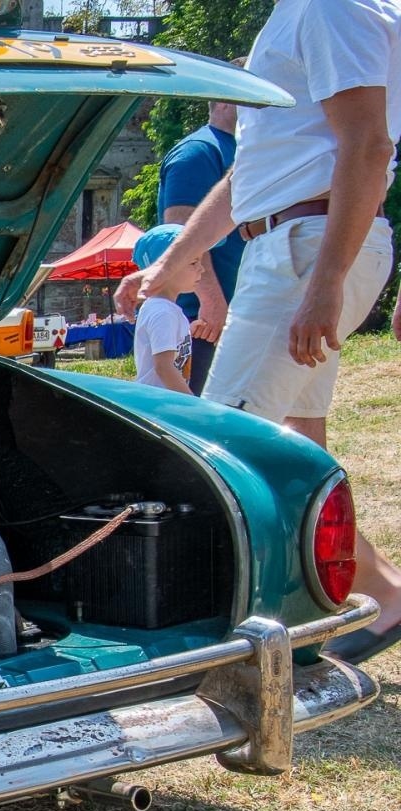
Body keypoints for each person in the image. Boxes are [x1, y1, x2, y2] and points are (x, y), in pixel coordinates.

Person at [115, 0, 401, 662]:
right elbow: (250, 174)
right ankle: (382, 594)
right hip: (296, 241)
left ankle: (216, 641)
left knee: (217, 452)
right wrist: (170, 263)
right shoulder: (302, 13)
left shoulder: (331, 8)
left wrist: (326, 281)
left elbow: (369, 145)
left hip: (306, 245)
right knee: (297, 446)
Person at [157, 84, 248, 393]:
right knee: (197, 411)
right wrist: (210, 300)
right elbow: (181, 228)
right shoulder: (199, 151)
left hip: (233, 312)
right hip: (200, 320)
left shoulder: (241, 149)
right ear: (224, 101)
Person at [129, 224, 201, 394]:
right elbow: (164, 367)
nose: (202, 268)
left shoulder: (163, 308)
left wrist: (187, 330)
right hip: (158, 403)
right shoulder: (163, 312)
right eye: (194, 262)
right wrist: (192, 403)